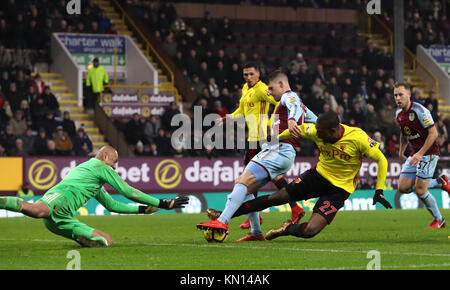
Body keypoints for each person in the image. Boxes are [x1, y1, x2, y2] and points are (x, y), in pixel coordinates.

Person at [218, 111, 391, 241]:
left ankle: (286, 229)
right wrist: (275, 138)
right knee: (277, 197)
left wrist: (379, 190)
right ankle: (224, 217)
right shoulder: (316, 131)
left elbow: (382, 160)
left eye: (322, 133)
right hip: (317, 176)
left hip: (340, 189)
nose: (318, 136)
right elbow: (296, 130)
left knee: (310, 231)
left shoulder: (358, 138)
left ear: (333, 130)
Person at [198, 70, 317, 241]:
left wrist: (292, 119)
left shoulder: (288, 97)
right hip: (278, 151)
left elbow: (294, 104)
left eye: (271, 88)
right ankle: (256, 232)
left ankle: (222, 221)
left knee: (242, 182)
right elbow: (318, 122)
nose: (269, 91)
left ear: (281, 84)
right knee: (247, 189)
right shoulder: (285, 104)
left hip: (277, 150)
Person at [0, 146, 189, 248]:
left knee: (106, 240)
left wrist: (142, 210)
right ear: (105, 157)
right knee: (36, 210)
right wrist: (163, 203)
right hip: (59, 197)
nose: (114, 167)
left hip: (63, 219)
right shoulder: (99, 166)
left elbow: (112, 205)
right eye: (114, 162)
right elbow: (127, 191)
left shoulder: (94, 181)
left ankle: (83, 238)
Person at [394, 82, 449, 228]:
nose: (398, 98)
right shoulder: (398, 114)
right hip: (415, 153)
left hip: (429, 153)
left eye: (401, 95)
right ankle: (440, 181)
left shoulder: (420, 110)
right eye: (395, 95)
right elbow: (404, 133)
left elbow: (434, 133)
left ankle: (439, 220)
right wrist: (401, 152)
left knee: (420, 190)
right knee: (403, 187)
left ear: (409, 95)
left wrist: (420, 153)